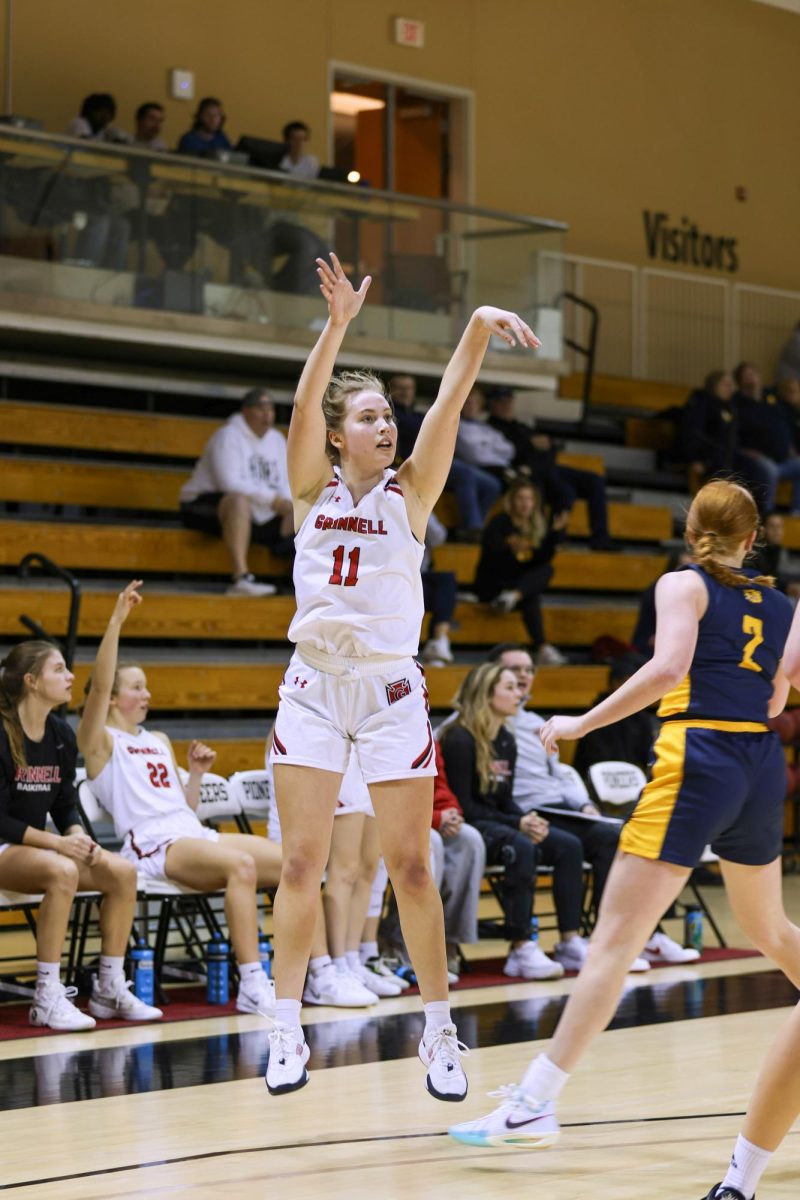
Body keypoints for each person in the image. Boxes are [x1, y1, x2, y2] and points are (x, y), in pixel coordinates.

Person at [449, 477, 800, 1152]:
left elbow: (668, 668)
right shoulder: (779, 601)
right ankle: (534, 1099)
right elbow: (778, 695)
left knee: (613, 940)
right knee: (767, 926)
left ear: (690, 529)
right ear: (753, 539)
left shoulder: (683, 584)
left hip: (699, 757)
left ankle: (534, 1102)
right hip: (758, 765)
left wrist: (582, 720)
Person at [266, 250, 540, 1097]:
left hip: (388, 694)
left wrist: (475, 329)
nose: (386, 426)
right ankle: (284, 1030)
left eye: (390, 416)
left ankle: (439, 1031)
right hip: (314, 687)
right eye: (371, 416)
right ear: (341, 434)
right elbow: (305, 400)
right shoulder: (311, 489)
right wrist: (337, 324)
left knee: (411, 868)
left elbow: (451, 402)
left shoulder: (411, 494)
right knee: (302, 864)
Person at [77, 582, 281, 1019]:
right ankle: (250, 982)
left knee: (292, 864)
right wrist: (116, 620)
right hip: (152, 843)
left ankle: (315, 969)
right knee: (240, 867)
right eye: (136, 687)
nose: (147, 694)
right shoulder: (100, 742)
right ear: (112, 697)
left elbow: (183, 809)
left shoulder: (160, 739)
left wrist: (198, 775)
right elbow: (94, 691)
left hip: (188, 831)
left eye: (147, 687)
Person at [0, 641, 162, 1030]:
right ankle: (46, 995)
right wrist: (58, 843)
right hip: (7, 845)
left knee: (120, 872)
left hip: (33, 848)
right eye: (59, 670)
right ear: (32, 681)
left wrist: (76, 834)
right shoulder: (2, 731)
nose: (71, 676)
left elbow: (64, 803)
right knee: (62, 871)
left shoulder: (59, 734)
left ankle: (108, 986)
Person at [486, 643, 678, 969]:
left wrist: (585, 804)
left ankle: (623, 937)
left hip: (559, 807)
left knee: (619, 837)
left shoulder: (537, 722)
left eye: (528, 670)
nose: (523, 677)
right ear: (491, 676)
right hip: (523, 812)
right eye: (514, 670)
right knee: (574, 845)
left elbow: (560, 775)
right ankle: (576, 941)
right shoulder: (482, 723)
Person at [439, 662, 564, 980]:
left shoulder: (506, 738)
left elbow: (505, 799)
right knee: (521, 846)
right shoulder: (459, 739)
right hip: (467, 824)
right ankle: (521, 944)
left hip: (495, 821)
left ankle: (572, 940)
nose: (519, 693)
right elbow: (466, 805)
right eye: (509, 687)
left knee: (567, 844)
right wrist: (516, 825)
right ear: (486, 692)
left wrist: (525, 818)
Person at [179, 387, 293, 595]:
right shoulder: (228, 436)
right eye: (261, 408)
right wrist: (274, 501)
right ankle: (241, 577)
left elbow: (285, 481)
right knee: (238, 500)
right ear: (246, 411)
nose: (267, 414)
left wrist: (287, 504)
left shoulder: (277, 439)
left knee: (304, 509)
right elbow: (229, 483)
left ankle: (295, 581)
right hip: (202, 504)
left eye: (271, 409)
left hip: (258, 508)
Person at [486, 386, 613, 550]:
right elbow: (513, 453)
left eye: (509, 401)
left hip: (546, 468)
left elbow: (549, 448)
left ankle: (600, 539)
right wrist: (531, 446)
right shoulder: (491, 429)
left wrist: (536, 450)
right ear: (491, 405)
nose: (506, 405)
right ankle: (555, 537)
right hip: (529, 473)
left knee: (594, 480)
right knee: (565, 491)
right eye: (501, 402)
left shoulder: (522, 427)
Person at [389, 374, 501, 542]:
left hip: (437, 460)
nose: (406, 392)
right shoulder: (391, 415)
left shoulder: (419, 415)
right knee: (465, 474)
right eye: (401, 388)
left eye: (409, 388)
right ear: (392, 390)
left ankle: (474, 526)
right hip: (413, 464)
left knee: (492, 484)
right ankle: (471, 527)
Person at [474, 478, 568, 665]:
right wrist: (508, 549)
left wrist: (555, 534)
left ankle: (514, 598)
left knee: (546, 571)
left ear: (535, 503)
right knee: (530, 597)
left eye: (529, 499)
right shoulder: (500, 522)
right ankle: (542, 648)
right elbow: (489, 558)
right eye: (521, 498)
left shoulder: (537, 526)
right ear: (512, 501)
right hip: (492, 584)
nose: (525, 503)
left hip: (515, 590)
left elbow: (540, 561)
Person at [735, 361, 800, 514]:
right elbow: (734, 435)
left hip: (783, 458)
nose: (752, 378)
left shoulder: (770, 397)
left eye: (753, 374)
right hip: (758, 458)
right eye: (747, 375)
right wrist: (744, 451)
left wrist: (790, 447)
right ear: (740, 382)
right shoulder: (738, 404)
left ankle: (797, 513)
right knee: (770, 471)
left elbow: (783, 425)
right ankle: (766, 514)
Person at [65, 93, 129, 143]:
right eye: (101, 111)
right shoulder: (79, 123)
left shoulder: (102, 131)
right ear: (90, 111)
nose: (105, 116)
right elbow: (86, 145)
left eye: (109, 112)